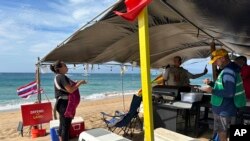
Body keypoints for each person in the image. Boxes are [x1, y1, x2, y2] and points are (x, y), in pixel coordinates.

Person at [201, 49, 246, 141]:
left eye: (216, 61)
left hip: (224, 109)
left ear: (222, 58)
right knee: (220, 130)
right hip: (222, 107)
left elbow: (229, 93)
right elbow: (222, 87)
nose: (215, 64)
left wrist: (211, 91)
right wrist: (211, 84)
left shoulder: (228, 72)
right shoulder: (228, 70)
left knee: (222, 132)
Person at [50, 60, 86, 141]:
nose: (67, 67)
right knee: (65, 127)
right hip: (64, 104)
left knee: (62, 125)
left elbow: (67, 88)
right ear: (59, 68)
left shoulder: (58, 77)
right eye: (65, 65)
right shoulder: (62, 77)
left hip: (61, 103)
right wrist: (80, 83)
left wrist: (76, 84)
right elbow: (70, 90)